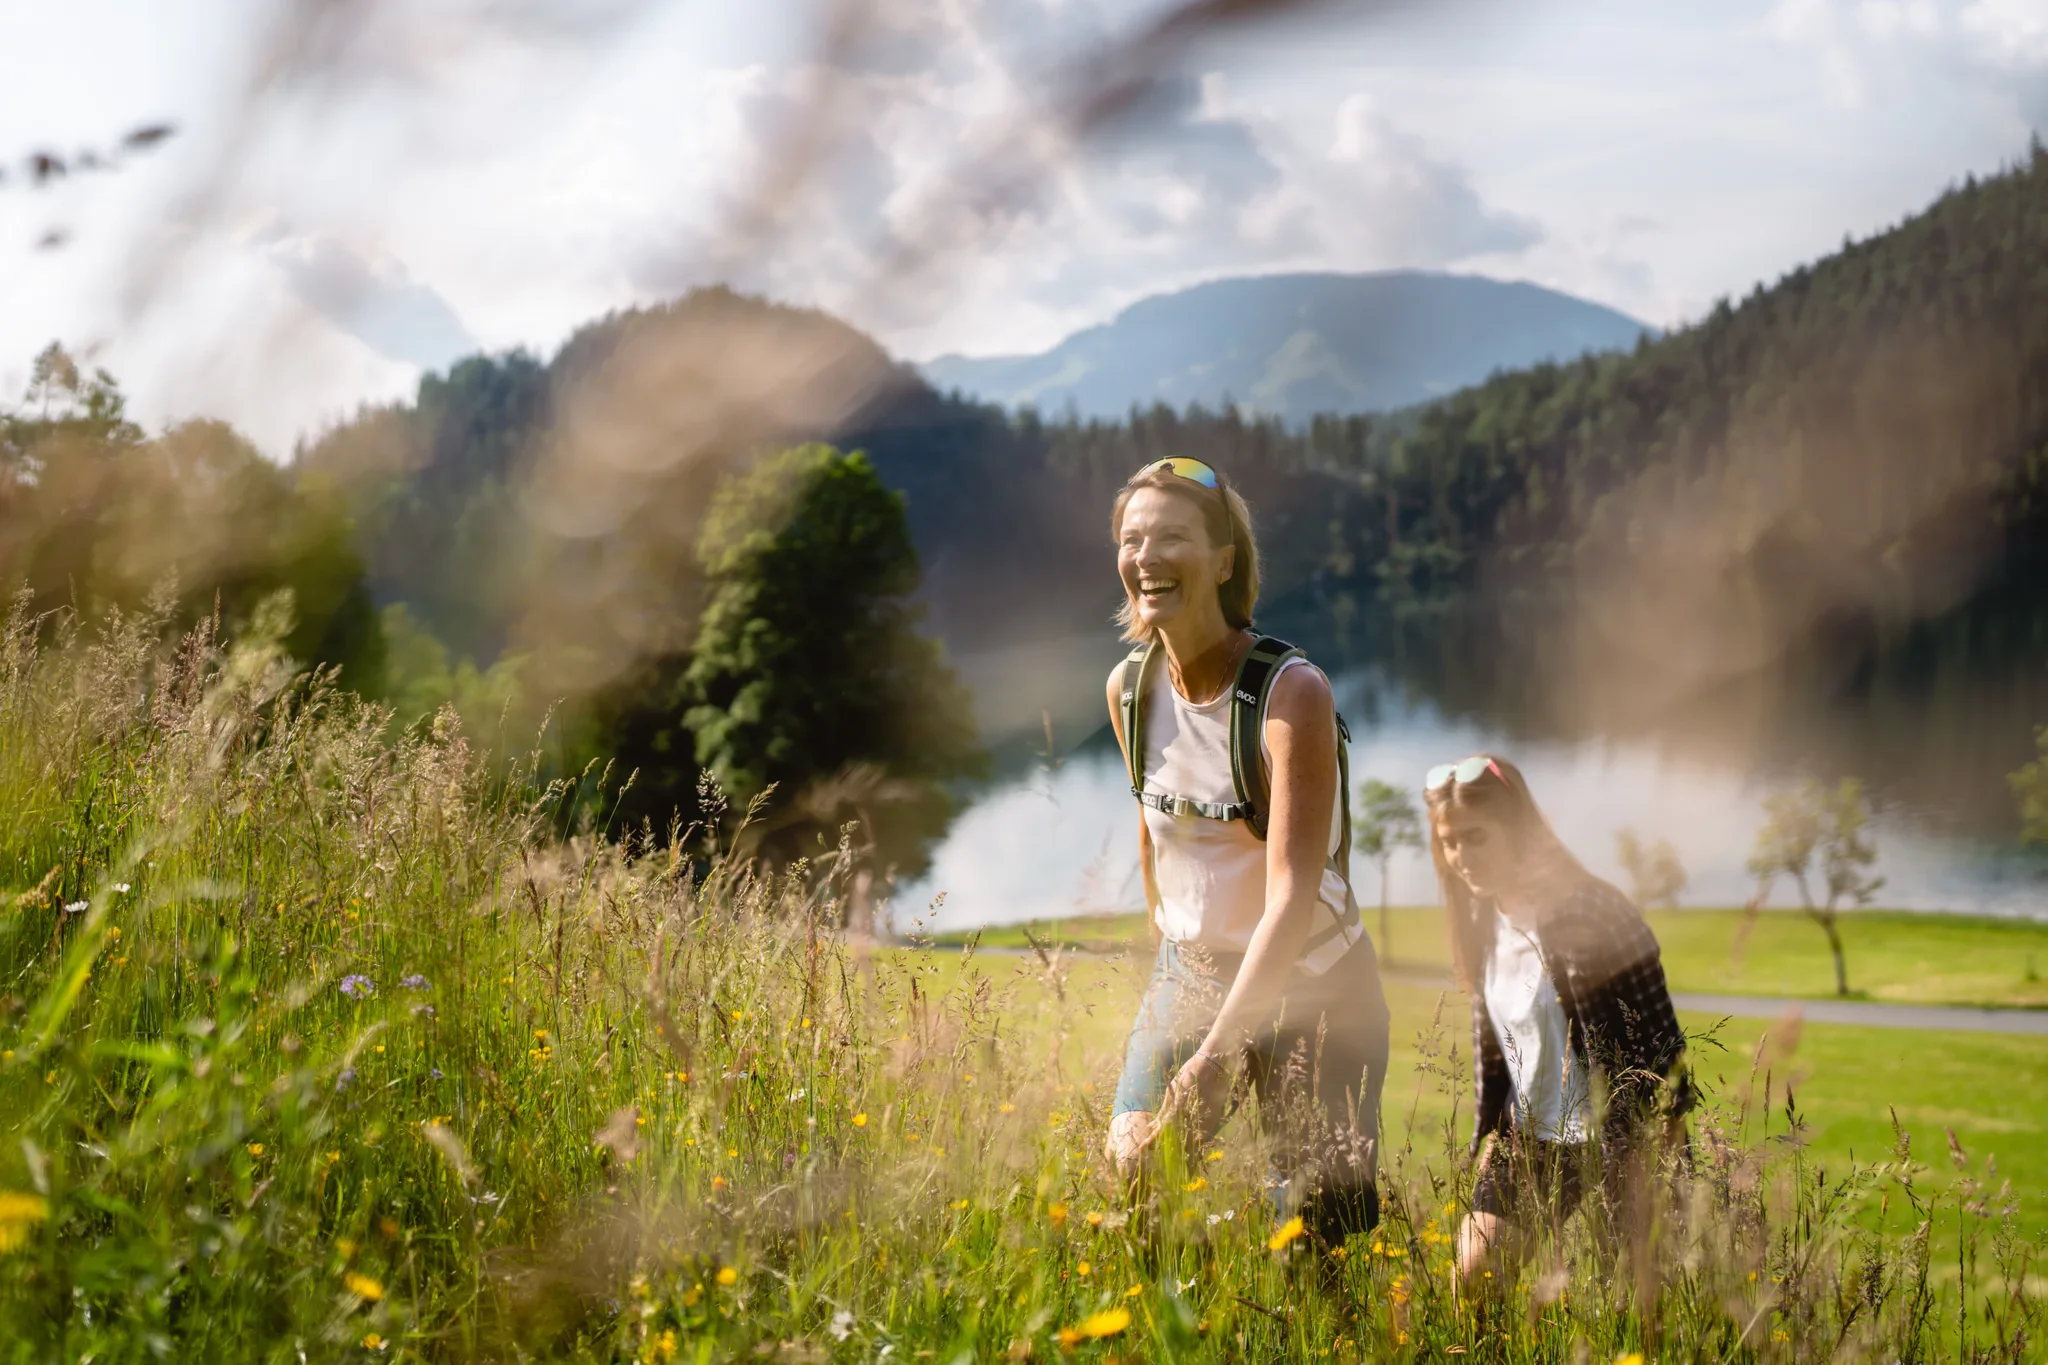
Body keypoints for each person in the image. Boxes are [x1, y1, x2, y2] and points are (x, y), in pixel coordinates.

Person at [1103, 455, 1390, 1250]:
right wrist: (1173, 990)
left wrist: (1217, 1054)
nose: (1146, 556)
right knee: (1135, 1177)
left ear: (1225, 559)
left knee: (1313, 1242)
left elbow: (1292, 897)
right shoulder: (1129, 689)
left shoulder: (1290, 692)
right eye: (1132, 539)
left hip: (1316, 984)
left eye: (1171, 536)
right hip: (1194, 970)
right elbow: (1157, 835)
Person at [1423, 754, 1692, 1288]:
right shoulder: (1481, 918)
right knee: (1471, 1279)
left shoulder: (1595, 913)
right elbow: (1497, 1052)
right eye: (1449, 842)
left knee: (1640, 1310)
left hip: (1618, 1140)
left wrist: (1667, 1170)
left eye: (1476, 838)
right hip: (1532, 1140)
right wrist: (1490, 1140)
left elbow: (1663, 1055)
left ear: (1517, 828)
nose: (1462, 856)